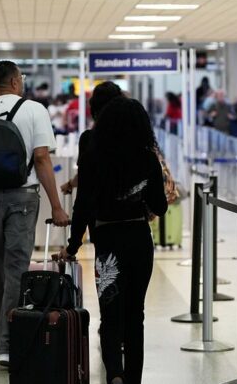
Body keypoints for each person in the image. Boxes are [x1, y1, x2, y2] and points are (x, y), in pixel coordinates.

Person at [0, 61, 69, 369]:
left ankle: (2, 338)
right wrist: (56, 205)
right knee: (17, 269)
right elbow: (42, 159)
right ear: (16, 81)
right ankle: (7, 344)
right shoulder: (35, 111)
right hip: (23, 197)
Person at [60, 97, 167, 384]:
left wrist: (73, 245)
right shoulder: (147, 158)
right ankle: (132, 378)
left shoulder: (95, 159)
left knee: (110, 313)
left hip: (107, 244)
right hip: (138, 240)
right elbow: (160, 206)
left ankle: (114, 375)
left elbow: (82, 205)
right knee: (136, 315)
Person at [60, 81, 124, 194]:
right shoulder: (131, 140)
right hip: (123, 206)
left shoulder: (88, 139)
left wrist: (70, 184)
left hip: (93, 206)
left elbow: (84, 175)